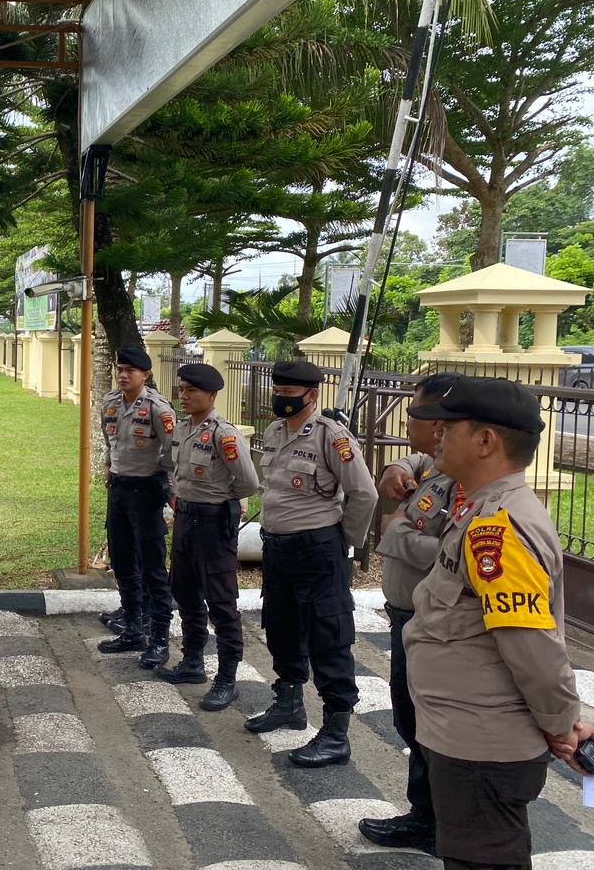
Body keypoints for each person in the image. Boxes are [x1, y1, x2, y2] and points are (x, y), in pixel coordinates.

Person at [404, 376, 580, 870]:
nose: (437, 435)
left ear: (485, 441)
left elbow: (533, 646)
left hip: (482, 747)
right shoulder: (478, 510)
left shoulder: (497, 528)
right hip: (465, 733)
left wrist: (562, 724)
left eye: (450, 427)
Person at [245, 359, 377, 769]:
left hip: (318, 549)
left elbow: (365, 494)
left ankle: (336, 732)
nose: (281, 400)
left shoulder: (332, 437)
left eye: (290, 395)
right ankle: (288, 704)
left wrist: (345, 542)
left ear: (312, 395)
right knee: (281, 624)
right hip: (278, 549)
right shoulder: (273, 431)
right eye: (278, 393)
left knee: (328, 635)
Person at [357, 372, 462, 854]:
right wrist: (393, 467)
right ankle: (426, 814)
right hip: (405, 616)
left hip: (431, 624)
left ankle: (439, 823)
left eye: (416, 415)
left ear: (441, 425)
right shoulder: (435, 466)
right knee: (410, 719)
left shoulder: (465, 485)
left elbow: (451, 552)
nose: (407, 420)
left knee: (427, 723)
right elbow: (414, 461)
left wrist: (395, 531)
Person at [156, 363, 259, 711]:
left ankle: (227, 678)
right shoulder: (183, 429)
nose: (184, 396)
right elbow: (174, 470)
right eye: (181, 390)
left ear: (212, 395)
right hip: (186, 518)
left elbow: (247, 482)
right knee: (183, 591)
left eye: (191, 391)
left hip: (214, 523)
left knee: (221, 601)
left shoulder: (224, 434)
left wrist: (218, 498)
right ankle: (193, 661)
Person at [98, 345, 177, 669]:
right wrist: (107, 465)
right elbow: (109, 441)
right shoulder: (110, 403)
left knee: (152, 566)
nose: (123, 375)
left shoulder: (158, 408)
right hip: (118, 490)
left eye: (130, 371)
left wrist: (169, 487)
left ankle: (158, 637)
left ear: (145, 375)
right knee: (122, 561)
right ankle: (132, 629)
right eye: (120, 369)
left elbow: (174, 453)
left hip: (146, 492)